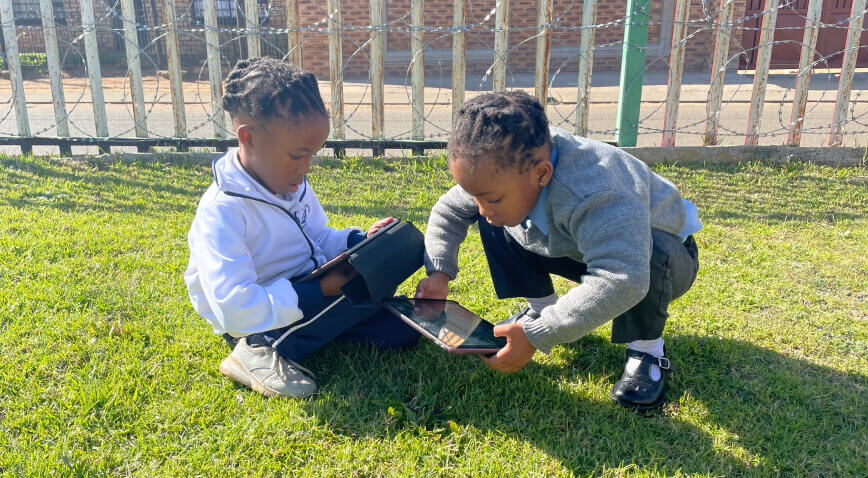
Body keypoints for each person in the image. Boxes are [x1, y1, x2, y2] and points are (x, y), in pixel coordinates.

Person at [416, 91, 701, 411]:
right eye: (476, 196)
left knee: (649, 252)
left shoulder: (597, 187)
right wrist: (439, 272)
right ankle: (540, 306)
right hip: (582, 248)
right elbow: (448, 209)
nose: (481, 208)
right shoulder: (505, 163)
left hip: (661, 259)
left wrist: (539, 335)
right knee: (497, 220)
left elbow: (625, 277)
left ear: (541, 174)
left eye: (491, 198)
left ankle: (647, 351)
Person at [184, 58, 419, 399]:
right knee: (351, 294)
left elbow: (319, 237)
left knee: (398, 332)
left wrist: (359, 242)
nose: (306, 169)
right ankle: (254, 352)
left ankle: (331, 316)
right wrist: (319, 291)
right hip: (257, 318)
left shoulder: (291, 182)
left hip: (310, 288)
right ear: (248, 138)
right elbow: (234, 308)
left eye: (312, 155)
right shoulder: (223, 211)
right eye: (297, 155)